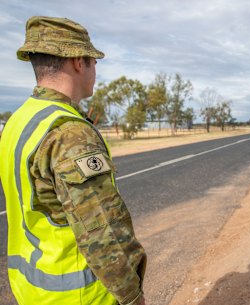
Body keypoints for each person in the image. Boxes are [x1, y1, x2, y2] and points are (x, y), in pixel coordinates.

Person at [0, 16, 146, 305]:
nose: (95, 70)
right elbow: (102, 232)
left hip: (33, 290)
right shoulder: (70, 132)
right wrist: (132, 296)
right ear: (79, 61)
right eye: (93, 62)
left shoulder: (20, 120)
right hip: (81, 295)